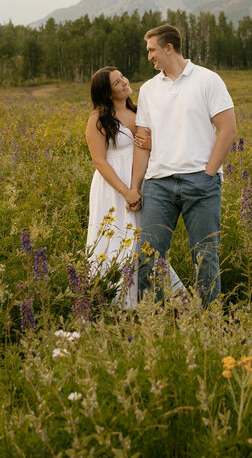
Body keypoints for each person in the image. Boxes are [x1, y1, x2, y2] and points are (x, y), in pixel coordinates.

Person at [131, 24, 236, 306]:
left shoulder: (207, 80)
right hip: (158, 184)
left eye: (152, 50)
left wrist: (209, 174)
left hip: (201, 182)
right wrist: (134, 186)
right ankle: (155, 319)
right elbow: (141, 142)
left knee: (205, 257)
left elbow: (228, 130)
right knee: (148, 255)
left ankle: (208, 321)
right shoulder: (148, 90)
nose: (149, 56)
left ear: (169, 48)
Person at [84, 65, 180, 308]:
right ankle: (118, 302)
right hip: (113, 187)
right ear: (107, 93)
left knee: (145, 238)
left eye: (123, 77)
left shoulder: (137, 111)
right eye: (117, 82)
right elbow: (99, 161)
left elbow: (155, 143)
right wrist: (125, 191)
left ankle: (154, 295)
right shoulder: (97, 119)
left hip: (141, 181)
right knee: (119, 237)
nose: (125, 82)